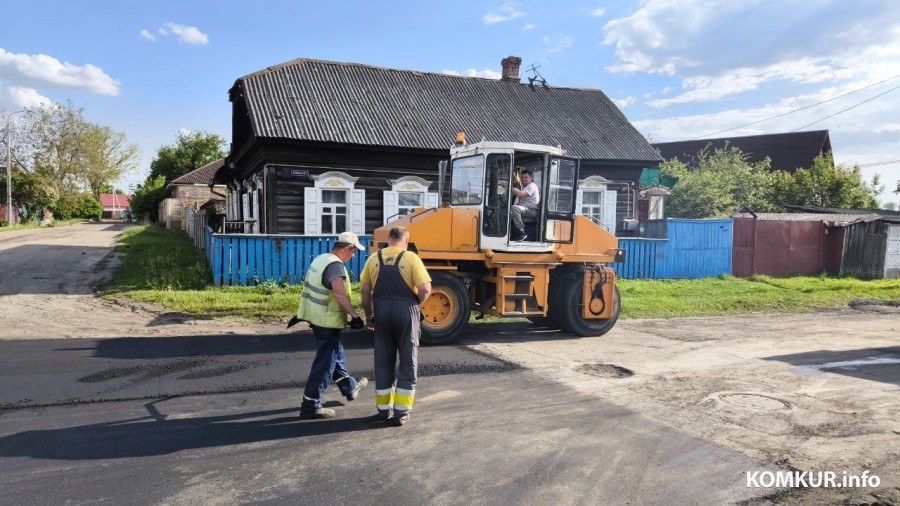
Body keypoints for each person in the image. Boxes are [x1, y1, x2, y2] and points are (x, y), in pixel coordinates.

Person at [359, 226, 432, 426]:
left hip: (381, 312)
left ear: (389, 239)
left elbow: (364, 292)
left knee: (383, 360)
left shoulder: (373, 259)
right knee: (408, 361)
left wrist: (369, 316)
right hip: (406, 312)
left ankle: (384, 410)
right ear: (406, 241)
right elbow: (425, 289)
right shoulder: (410, 258)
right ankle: (401, 413)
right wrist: (415, 304)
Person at [294, 231, 370, 419]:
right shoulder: (335, 266)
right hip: (326, 320)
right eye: (353, 252)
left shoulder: (321, 259)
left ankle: (349, 387)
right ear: (347, 248)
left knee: (336, 353)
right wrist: (355, 316)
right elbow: (339, 295)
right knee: (325, 363)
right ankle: (310, 405)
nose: (353, 256)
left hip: (315, 317)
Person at [510, 169, 540, 241]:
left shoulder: (531, 186)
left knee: (514, 208)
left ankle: (521, 232)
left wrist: (509, 187)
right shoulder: (525, 187)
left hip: (531, 210)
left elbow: (520, 194)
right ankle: (512, 235)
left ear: (531, 178)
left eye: (526, 177)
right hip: (525, 210)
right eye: (522, 177)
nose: (523, 179)